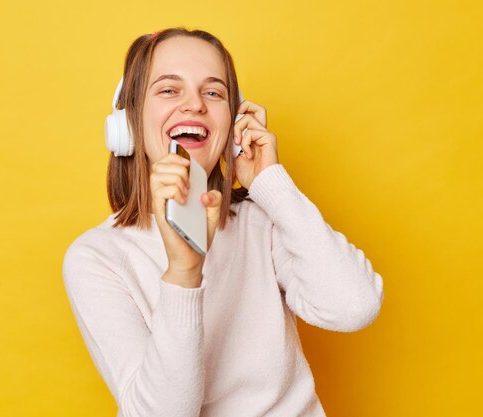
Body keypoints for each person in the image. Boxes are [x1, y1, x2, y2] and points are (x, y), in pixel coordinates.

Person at [62, 27, 384, 417]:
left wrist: (269, 182)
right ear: (127, 126)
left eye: (213, 92)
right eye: (169, 89)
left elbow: (354, 306)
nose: (195, 104)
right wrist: (185, 273)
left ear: (233, 127)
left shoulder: (262, 224)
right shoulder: (97, 257)